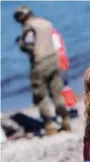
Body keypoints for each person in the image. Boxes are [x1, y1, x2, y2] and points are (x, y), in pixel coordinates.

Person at [14, 6, 71, 135]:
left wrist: (20, 44)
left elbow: (29, 45)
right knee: (57, 91)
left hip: (40, 62)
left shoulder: (29, 27)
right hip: (53, 59)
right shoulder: (45, 22)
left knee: (40, 94)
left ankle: (49, 124)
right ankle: (65, 118)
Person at [51, 28, 79, 117]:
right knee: (65, 84)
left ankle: (68, 108)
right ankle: (72, 106)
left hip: (56, 60)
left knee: (59, 86)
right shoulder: (54, 32)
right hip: (63, 58)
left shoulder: (46, 34)